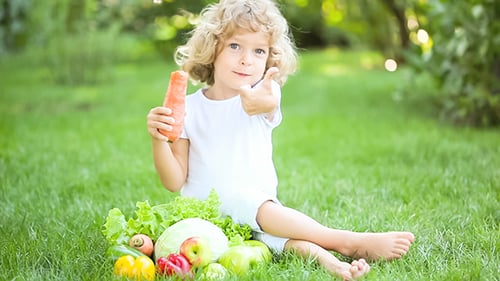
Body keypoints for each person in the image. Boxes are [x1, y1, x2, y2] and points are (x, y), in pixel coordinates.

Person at [147, 0, 415, 280]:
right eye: (235, 46)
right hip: (207, 222)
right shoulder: (189, 109)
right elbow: (174, 181)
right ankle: (342, 242)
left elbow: (268, 100)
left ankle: (333, 260)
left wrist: (260, 100)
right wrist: (158, 140)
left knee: (275, 238)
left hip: (260, 211)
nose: (246, 59)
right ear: (213, 48)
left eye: (258, 51)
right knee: (258, 223)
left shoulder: (264, 92)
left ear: (269, 60)